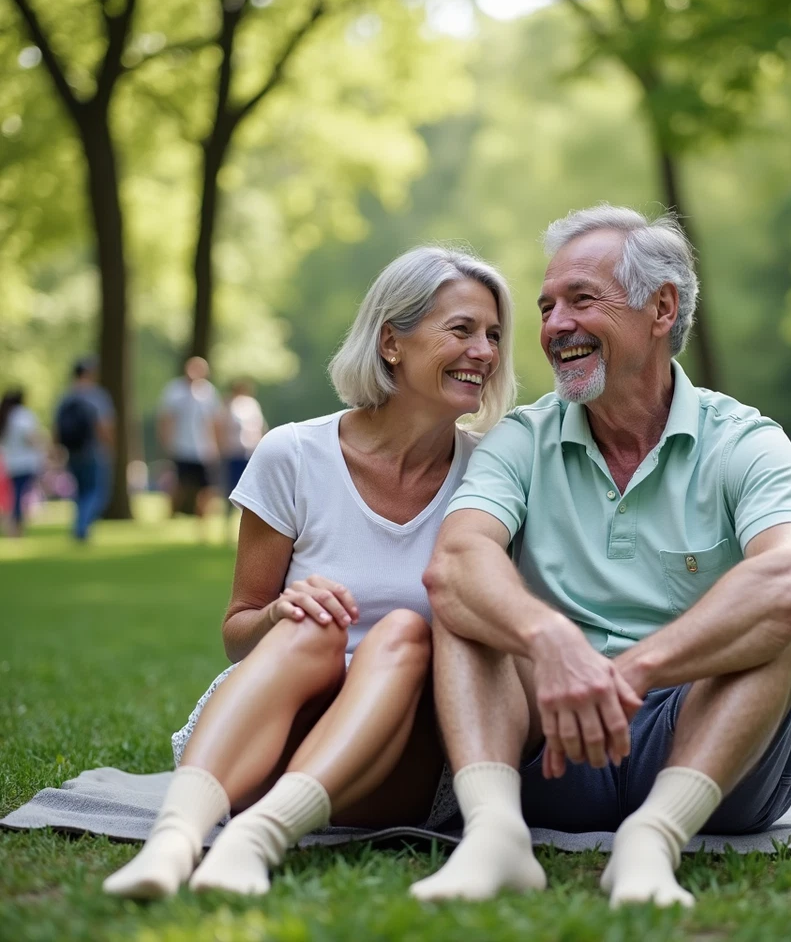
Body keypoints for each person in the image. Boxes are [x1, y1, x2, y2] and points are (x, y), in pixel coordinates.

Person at [410, 205, 791, 909]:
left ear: (662, 308)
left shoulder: (744, 439)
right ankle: (495, 835)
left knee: (778, 616)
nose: (555, 326)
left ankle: (653, 841)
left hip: (713, 755)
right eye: (546, 308)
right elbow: (456, 562)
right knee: (465, 603)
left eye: (581, 299)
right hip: (558, 742)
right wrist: (549, 639)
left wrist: (631, 673)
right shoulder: (521, 439)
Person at [103, 245, 516, 899]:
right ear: (391, 343)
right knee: (310, 625)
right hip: (269, 741)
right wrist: (278, 611)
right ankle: (173, 841)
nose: (485, 352)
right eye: (462, 329)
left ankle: (255, 839)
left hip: (403, 763)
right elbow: (237, 633)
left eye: (493, 335)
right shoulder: (292, 454)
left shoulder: (494, 473)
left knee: (405, 632)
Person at [54, 358, 115, 541]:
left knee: (81, 491)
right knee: (96, 491)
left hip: (72, 451)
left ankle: (80, 524)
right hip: (93, 450)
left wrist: (56, 449)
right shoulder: (97, 396)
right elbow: (103, 425)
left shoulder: (66, 397)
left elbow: (57, 427)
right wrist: (110, 446)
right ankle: (82, 526)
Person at [157, 357, 222, 520]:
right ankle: (170, 517)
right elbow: (166, 419)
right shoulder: (174, 390)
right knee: (178, 485)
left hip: (204, 449)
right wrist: (166, 442)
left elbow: (214, 422)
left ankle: (202, 520)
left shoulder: (209, 392)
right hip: (181, 447)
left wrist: (216, 446)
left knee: (206, 488)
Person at [0, 389, 46, 536]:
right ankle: (16, 527)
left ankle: (13, 526)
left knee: (16, 495)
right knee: (21, 496)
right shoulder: (22, 415)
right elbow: (31, 437)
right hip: (26, 462)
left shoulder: (5, 415)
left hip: (10, 463)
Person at [219, 379, 266, 515]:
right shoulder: (228, 405)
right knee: (231, 485)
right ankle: (228, 516)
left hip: (250, 450)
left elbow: (259, 426)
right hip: (233, 451)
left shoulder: (252, 404)